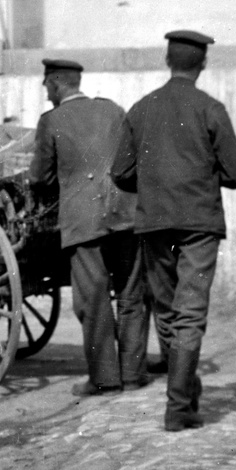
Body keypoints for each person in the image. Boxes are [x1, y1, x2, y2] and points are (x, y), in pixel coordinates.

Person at [110, 30, 236, 431]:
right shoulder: (211, 108)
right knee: (190, 312)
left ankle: (183, 396)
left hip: (154, 222)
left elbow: (120, 172)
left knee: (168, 310)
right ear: (202, 64)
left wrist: (156, 185)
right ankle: (177, 406)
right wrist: (202, 176)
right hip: (200, 223)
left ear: (167, 60)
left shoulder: (140, 109)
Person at [29, 57, 149, 397]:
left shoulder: (51, 120)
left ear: (54, 84)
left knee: (93, 299)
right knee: (130, 295)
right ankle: (133, 373)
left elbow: (40, 177)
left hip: (84, 220)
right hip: (126, 213)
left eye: (47, 85)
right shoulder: (113, 110)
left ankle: (106, 378)